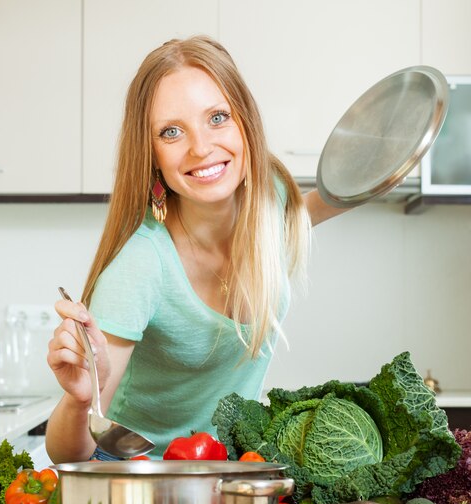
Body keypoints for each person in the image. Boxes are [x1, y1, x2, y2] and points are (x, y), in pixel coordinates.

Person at [45, 35, 350, 463]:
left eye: (218, 117)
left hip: (225, 469)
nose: (201, 148)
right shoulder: (141, 267)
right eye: (171, 132)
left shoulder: (269, 200)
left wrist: (368, 172)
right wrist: (79, 402)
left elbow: (300, 215)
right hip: (136, 477)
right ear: (151, 154)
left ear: (245, 122)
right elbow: (70, 454)